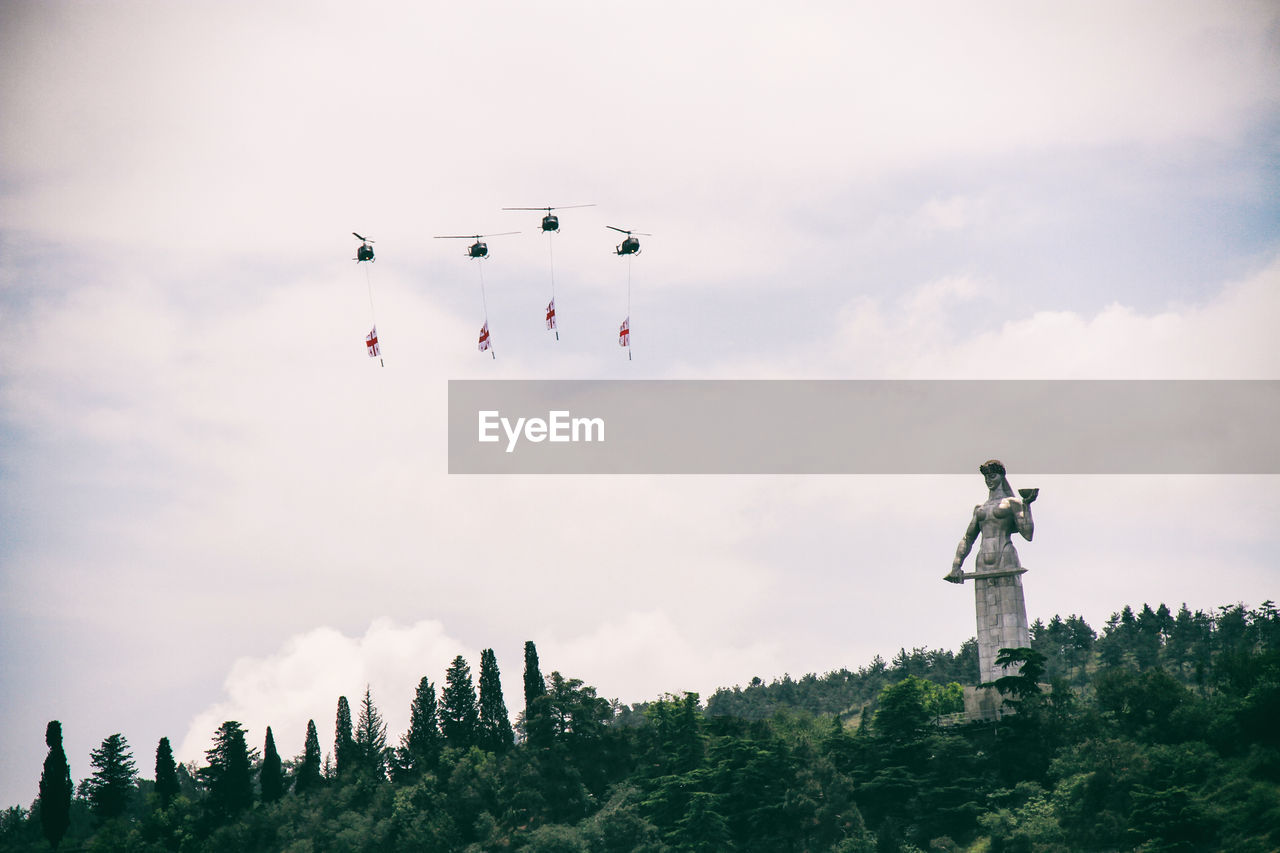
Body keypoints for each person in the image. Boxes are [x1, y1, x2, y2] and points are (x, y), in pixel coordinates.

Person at [945, 459, 1036, 583]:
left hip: (1005, 554)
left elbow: (1027, 534)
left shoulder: (1012, 503)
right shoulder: (980, 508)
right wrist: (956, 566)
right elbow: (968, 539)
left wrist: (1026, 505)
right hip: (982, 559)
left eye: (992, 476)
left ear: (1001, 476)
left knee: (1008, 601)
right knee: (984, 600)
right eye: (986, 477)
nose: (989, 480)